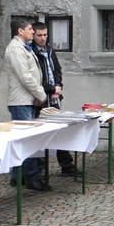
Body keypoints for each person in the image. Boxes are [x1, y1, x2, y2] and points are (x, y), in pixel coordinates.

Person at [4, 16, 50, 191]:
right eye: (30, 29)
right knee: (27, 140)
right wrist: (41, 95)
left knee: (22, 139)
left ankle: (18, 177)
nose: (33, 31)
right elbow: (25, 77)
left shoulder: (23, 47)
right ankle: (32, 178)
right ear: (20, 31)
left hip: (26, 100)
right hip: (21, 101)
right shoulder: (16, 49)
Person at [31, 21, 77, 176]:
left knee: (59, 131)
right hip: (40, 99)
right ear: (33, 35)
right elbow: (35, 78)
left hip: (54, 98)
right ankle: (39, 170)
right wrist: (51, 89)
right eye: (39, 35)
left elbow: (57, 70)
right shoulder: (32, 52)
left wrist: (58, 86)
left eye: (45, 35)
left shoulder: (49, 50)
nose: (43, 38)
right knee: (39, 135)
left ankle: (67, 165)